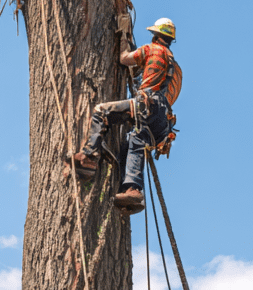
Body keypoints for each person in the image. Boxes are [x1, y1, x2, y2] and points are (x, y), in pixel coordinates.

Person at [72, 16, 183, 214]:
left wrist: (123, 38)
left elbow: (124, 59)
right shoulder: (172, 62)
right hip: (162, 119)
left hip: (147, 105)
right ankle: (132, 190)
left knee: (101, 111)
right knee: (132, 143)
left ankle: (89, 156)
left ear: (156, 36)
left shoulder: (151, 49)